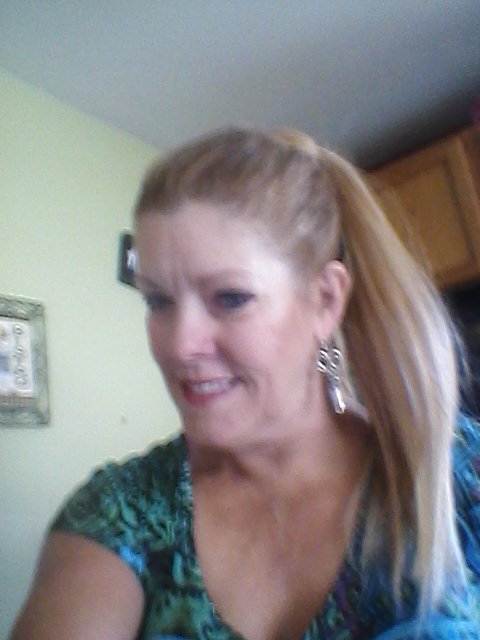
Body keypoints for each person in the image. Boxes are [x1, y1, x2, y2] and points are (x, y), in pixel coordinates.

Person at [10, 127, 480, 640]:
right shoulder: (118, 514)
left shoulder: (453, 473)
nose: (180, 346)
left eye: (231, 298)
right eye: (158, 301)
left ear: (325, 301)